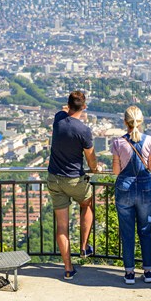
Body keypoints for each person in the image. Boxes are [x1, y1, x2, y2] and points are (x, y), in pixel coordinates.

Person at [47, 91, 98, 280]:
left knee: (62, 225)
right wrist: (95, 168)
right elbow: (91, 159)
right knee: (87, 204)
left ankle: (68, 268)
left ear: (68, 105)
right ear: (84, 107)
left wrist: (67, 108)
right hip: (74, 179)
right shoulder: (83, 130)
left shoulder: (58, 119)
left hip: (54, 178)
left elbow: (62, 110)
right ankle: (84, 246)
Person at [111, 106, 151, 284]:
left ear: (125, 122)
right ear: (141, 121)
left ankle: (129, 272)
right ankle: (148, 271)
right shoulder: (149, 140)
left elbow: (116, 171)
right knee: (145, 230)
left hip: (125, 189)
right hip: (145, 188)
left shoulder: (117, 142)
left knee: (127, 231)